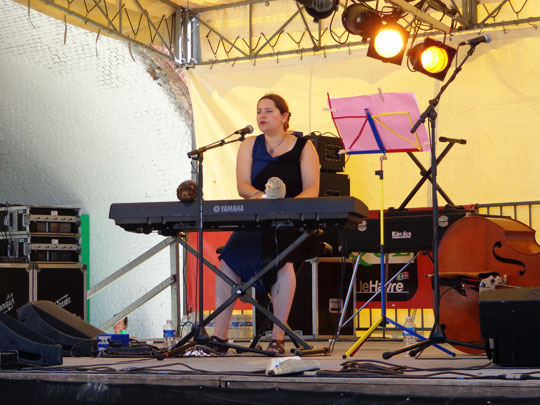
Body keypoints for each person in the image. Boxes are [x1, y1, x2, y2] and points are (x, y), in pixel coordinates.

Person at [211, 93, 320, 354]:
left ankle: (277, 338)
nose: (262, 115)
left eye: (269, 111)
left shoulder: (304, 147)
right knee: (228, 262)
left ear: (284, 116)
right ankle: (219, 337)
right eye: (259, 110)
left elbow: (312, 189)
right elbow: (242, 186)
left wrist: (287, 207)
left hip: (291, 221)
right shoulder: (249, 145)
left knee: (283, 261)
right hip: (257, 219)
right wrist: (261, 197)